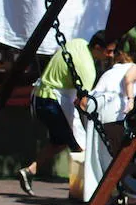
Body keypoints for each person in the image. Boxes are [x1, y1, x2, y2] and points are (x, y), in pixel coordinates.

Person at [18, 31, 115, 196]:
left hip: (40, 97)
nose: (111, 55)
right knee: (81, 146)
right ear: (98, 48)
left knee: (60, 141)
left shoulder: (77, 42)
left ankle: (30, 170)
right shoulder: (87, 70)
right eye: (109, 51)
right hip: (52, 101)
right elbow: (84, 104)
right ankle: (86, 191)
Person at [82, 48, 136, 201]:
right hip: (115, 105)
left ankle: (96, 194)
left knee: (96, 153)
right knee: (119, 151)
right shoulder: (135, 67)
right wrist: (130, 100)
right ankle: (123, 190)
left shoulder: (110, 71)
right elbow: (129, 79)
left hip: (95, 105)